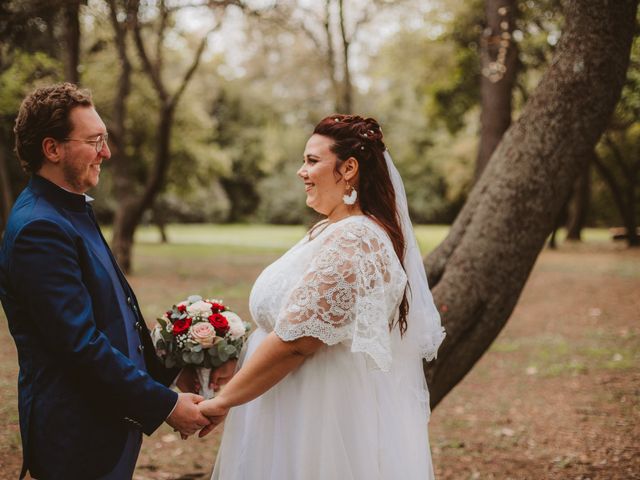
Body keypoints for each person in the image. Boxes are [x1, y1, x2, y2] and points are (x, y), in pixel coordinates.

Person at [0, 83, 232, 480]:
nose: (106, 152)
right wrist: (167, 406)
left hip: (107, 417)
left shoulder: (69, 208)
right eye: (94, 141)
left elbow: (117, 313)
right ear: (52, 149)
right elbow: (80, 346)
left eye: (104, 139)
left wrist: (170, 375)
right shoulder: (40, 226)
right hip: (75, 437)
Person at [197, 114, 446, 479]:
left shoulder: (356, 239)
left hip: (317, 415)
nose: (302, 171)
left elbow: (296, 341)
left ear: (348, 168)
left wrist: (222, 402)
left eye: (312, 161)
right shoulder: (329, 229)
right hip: (284, 402)